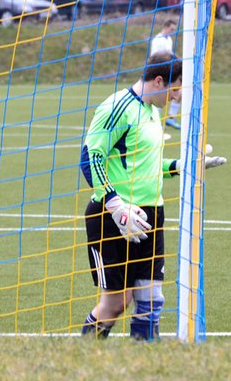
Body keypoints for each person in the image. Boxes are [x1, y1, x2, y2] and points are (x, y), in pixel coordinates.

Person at [78, 52, 182, 341]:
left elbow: (141, 164)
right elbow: (90, 157)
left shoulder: (152, 110)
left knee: (151, 299)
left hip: (151, 215)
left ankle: (146, 362)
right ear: (159, 81)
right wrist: (116, 207)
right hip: (112, 217)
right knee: (116, 304)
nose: (177, 97)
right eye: (175, 89)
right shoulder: (117, 106)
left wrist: (176, 167)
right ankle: (82, 351)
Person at [150, 19, 181, 130]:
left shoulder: (169, 39)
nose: (173, 32)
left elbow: (170, 54)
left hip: (170, 71)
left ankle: (171, 118)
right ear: (165, 26)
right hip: (160, 72)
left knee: (180, 92)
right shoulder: (157, 40)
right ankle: (156, 121)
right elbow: (154, 57)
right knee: (161, 96)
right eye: (171, 29)